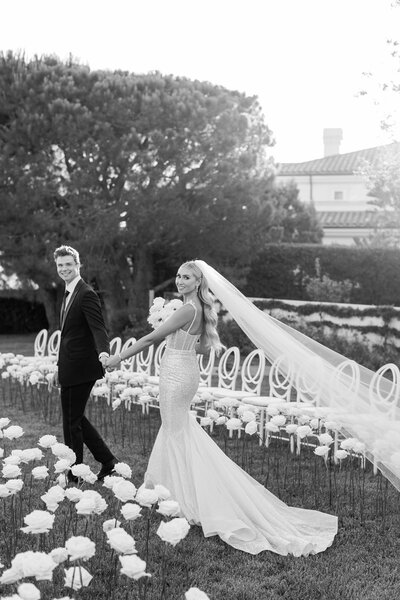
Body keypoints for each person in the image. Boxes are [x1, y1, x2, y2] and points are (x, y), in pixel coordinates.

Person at [106, 260, 338, 555]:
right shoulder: (199, 310)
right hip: (185, 369)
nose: (179, 281)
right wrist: (175, 331)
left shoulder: (187, 309)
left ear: (198, 282)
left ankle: (185, 499)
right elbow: (202, 348)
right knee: (178, 431)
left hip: (176, 374)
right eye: (178, 276)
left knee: (176, 432)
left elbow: (153, 338)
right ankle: (176, 493)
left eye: (186, 277)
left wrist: (118, 358)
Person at [54, 245, 118, 483]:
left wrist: (104, 353)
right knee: (76, 417)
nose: (64, 269)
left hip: (82, 368)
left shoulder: (85, 293)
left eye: (68, 264)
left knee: (71, 421)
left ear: (77, 265)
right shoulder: (69, 291)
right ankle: (108, 461)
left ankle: (74, 475)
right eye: (60, 265)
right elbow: (68, 335)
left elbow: (98, 328)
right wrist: (59, 367)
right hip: (70, 365)